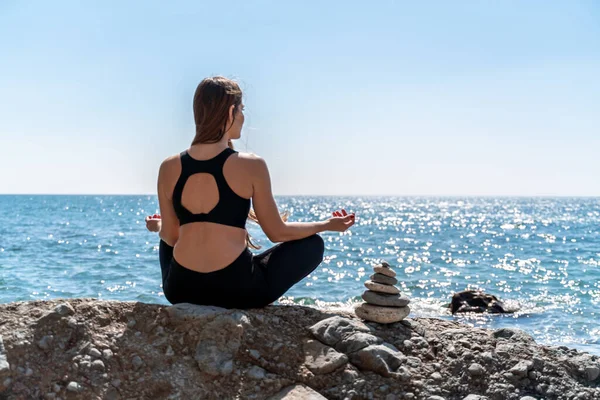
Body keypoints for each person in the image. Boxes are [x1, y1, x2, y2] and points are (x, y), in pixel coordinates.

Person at [145, 76, 356, 309]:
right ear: (230, 111)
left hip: (182, 289)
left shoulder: (168, 166)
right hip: (236, 290)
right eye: (241, 110)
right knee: (313, 245)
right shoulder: (252, 165)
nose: (243, 117)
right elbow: (277, 232)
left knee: (166, 237)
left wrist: (158, 227)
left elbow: (172, 237)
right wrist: (326, 224)